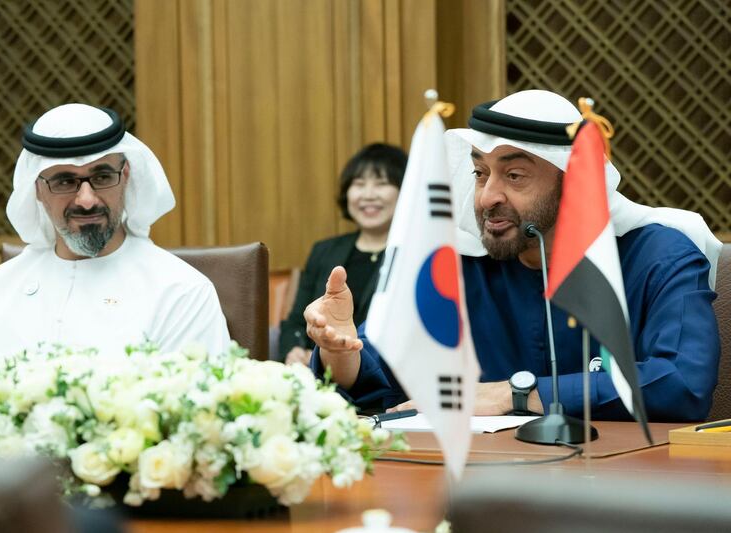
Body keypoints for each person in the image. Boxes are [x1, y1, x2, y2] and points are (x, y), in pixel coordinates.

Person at [305, 90, 721, 422]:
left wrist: (513, 393)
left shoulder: (657, 256)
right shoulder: (461, 266)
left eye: (514, 175)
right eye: (480, 173)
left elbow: (681, 383)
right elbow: (380, 376)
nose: (487, 197)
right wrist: (342, 352)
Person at [0, 104, 230, 356]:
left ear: (125, 176)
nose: (87, 200)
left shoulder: (180, 292)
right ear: (37, 190)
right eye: (65, 181)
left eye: (102, 176)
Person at [278, 143, 408, 365]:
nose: (368, 195)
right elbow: (295, 323)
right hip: (318, 378)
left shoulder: (413, 255)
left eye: (382, 184)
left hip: (382, 379)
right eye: (359, 184)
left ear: (405, 191)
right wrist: (295, 352)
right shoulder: (324, 251)